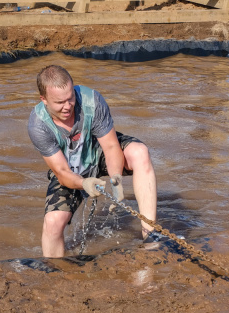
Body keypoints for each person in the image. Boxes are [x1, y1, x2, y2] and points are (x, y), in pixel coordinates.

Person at [28, 65, 158, 258]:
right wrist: (84, 183)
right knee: (53, 223)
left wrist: (116, 180)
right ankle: (54, 271)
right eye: (59, 102)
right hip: (71, 171)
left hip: (99, 152)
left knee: (140, 152)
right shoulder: (38, 125)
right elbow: (62, 172)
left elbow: (111, 147)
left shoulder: (92, 100)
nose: (68, 106)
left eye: (71, 98)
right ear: (44, 100)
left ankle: (151, 240)